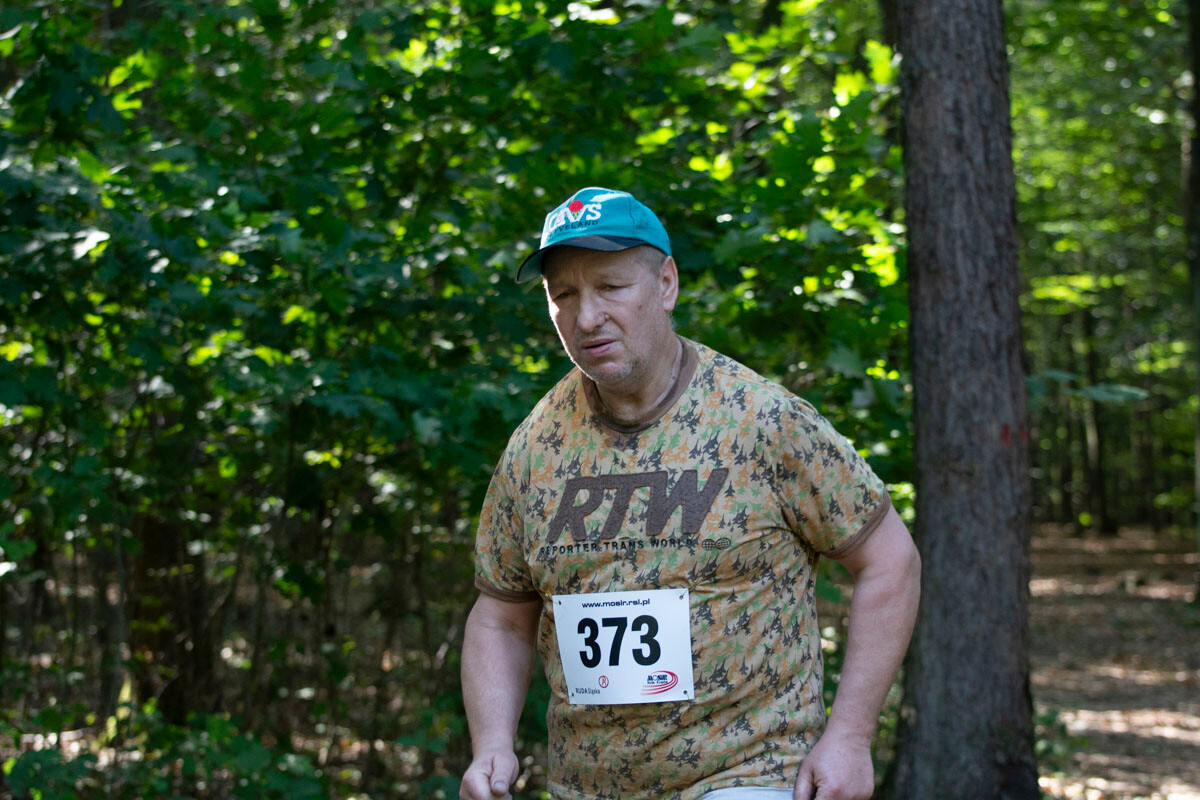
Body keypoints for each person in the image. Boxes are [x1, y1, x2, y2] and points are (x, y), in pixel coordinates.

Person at [460, 187, 921, 800]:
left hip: (749, 771)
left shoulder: (760, 420)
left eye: (611, 287)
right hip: (588, 783)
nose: (586, 316)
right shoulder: (536, 447)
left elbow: (891, 560)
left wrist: (851, 736)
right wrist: (492, 745)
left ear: (667, 284)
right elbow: (501, 615)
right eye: (563, 295)